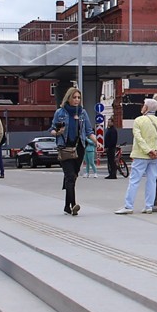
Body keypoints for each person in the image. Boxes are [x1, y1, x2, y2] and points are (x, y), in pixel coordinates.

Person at [117, 97, 157, 214]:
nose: (142, 107)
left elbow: (138, 138)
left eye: (144, 105)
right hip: (155, 157)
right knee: (152, 181)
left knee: (134, 181)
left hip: (141, 155)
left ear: (147, 108)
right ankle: (149, 206)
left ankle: (128, 206)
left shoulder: (139, 121)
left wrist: (148, 150)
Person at [52, 86, 94, 215]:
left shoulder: (82, 113)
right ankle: (73, 205)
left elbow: (88, 131)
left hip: (78, 148)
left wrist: (97, 141)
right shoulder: (60, 112)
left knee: (73, 177)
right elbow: (52, 130)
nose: (77, 100)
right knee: (70, 176)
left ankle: (66, 206)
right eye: (74, 97)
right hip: (64, 148)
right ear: (68, 98)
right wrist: (58, 132)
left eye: (79, 98)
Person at [104, 114, 122, 179]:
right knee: (110, 161)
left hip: (111, 148)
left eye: (109, 122)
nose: (108, 123)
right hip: (109, 147)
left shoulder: (113, 130)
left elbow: (112, 140)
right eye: (108, 122)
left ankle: (113, 174)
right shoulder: (109, 129)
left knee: (112, 162)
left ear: (112, 122)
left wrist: (108, 146)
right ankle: (111, 174)